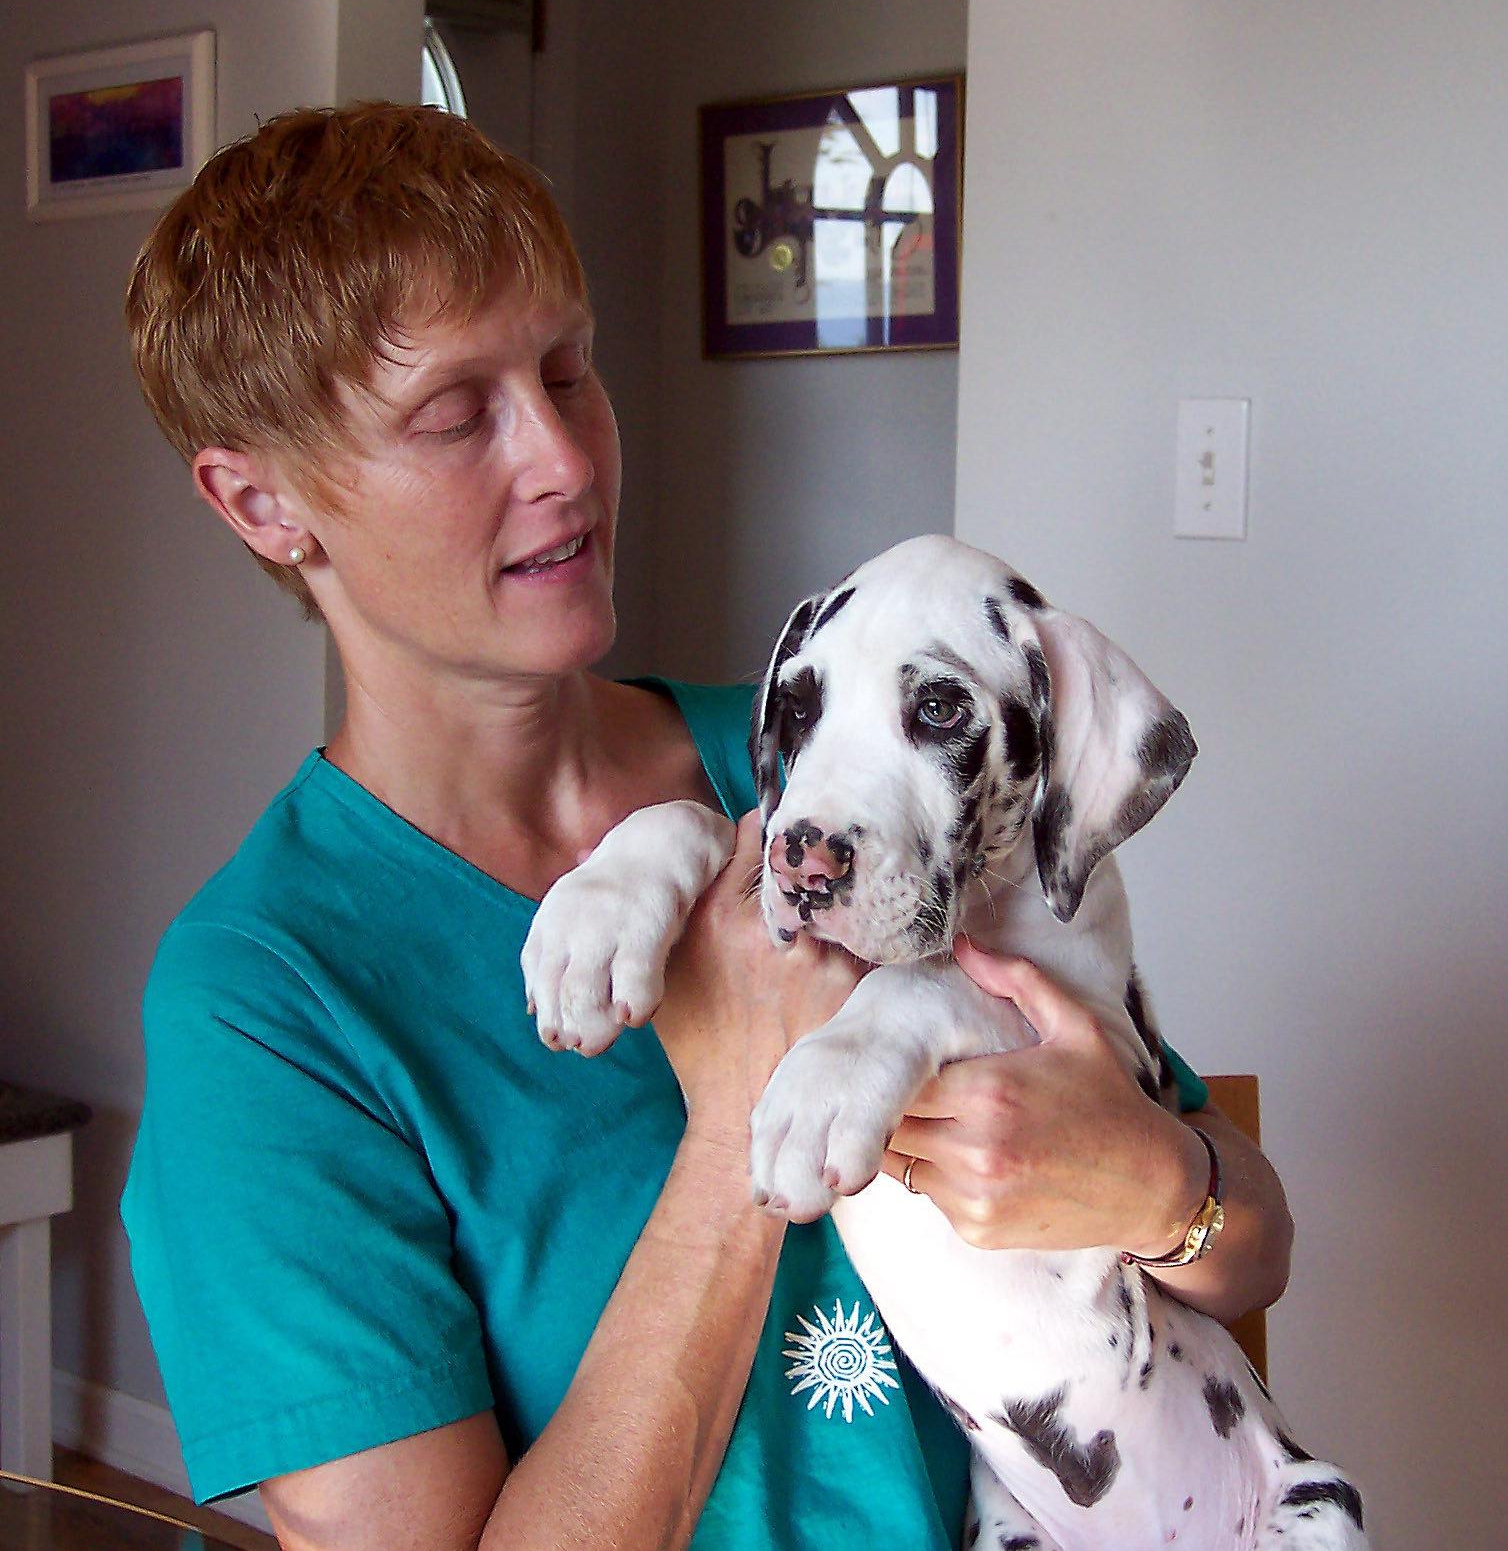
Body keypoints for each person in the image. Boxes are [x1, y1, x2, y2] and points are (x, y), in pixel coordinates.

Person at [120, 102, 1293, 1551]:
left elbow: (1250, 1242)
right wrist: (741, 1114)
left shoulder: (831, 774)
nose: (566, 458)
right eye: (457, 414)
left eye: (569, 370)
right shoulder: (263, 1003)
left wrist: (1164, 1190)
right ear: (261, 499)